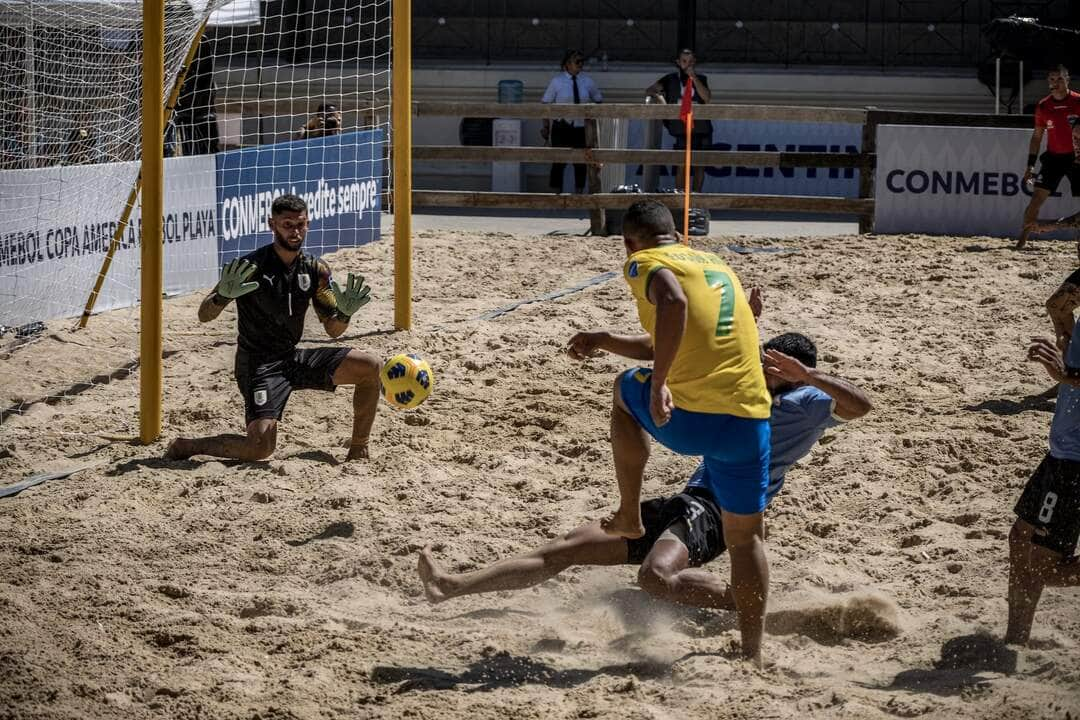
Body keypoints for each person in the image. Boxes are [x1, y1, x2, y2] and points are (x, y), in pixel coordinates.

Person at [419, 326, 871, 625]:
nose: (761, 368)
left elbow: (863, 406)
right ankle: (453, 586)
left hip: (721, 511)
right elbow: (665, 346)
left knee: (655, 578)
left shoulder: (808, 402)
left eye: (771, 366)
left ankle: (748, 603)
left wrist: (808, 374)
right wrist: (602, 340)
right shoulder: (741, 381)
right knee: (567, 548)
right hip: (690, 499)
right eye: (762, 360)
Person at [565, 200, 772, 662]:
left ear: (628, 242)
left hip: (692, 415)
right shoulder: (718, 265)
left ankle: (629, 514)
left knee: (623, 390)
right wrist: (603, 339)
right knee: (746, 540)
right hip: (750, 420)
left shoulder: (643, 262)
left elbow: (673, 303)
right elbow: (671, 336)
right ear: (678, 234)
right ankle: (753, 652)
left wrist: (658, 385)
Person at [165, 194, 382, 463]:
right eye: (287, 224)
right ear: (272, 224)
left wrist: (345, 314)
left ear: (308, 224)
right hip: (258, 365)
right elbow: (204, 314)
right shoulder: (250, 267)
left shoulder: (316, 269)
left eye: (300, 224)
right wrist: (221, 296)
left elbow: (333, 331)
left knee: (371, 366)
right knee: (260, 448)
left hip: (291, 357)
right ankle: (188, 446)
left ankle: (359, 447)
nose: (295, 231)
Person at [1006, 332, 1080, 644]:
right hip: (1062, 452)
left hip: (1075, 463)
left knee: (1040, 566)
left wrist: (1066, 374)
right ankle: (1015, 642)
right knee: (1021, 540)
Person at [1016, 65, 1080, 249]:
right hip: (1053, 158)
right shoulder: (1044, 105)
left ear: (1067, 80)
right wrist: (1030, 165)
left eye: (1059, 79)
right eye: (1052, 79)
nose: (1056, 83)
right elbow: (1037, 136)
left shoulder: (1078, 101)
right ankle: (1022, 240)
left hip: (1076, 158)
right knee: (1036, 199)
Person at [646, 48, 713, 193]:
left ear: (694, 62)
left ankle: (696, 201)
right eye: (684, 61)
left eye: (690, 62)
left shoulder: (701, 78)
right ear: (678, 62)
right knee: (681, 164)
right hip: (681, 128)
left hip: (701, 127)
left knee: (700, 165)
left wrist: (693, 77)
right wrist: (661, 100)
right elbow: (650, 90)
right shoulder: (670, 79)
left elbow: (706, 98)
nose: (687, 64)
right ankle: (680, 200)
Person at [540, 50, 603, 194]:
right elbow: (546, 104)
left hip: (581, 127)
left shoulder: (587, 81)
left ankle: (579, 195)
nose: (581, 64)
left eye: (582, 61)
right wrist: (545, 126)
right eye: (577, 61)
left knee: (580, 163)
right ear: (567, 64)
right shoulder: (557, 81)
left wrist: (591, 116)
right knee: (558, 162)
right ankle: (556, 196)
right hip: (562, 126)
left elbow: (598, 99)